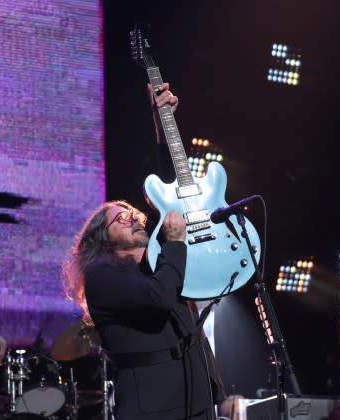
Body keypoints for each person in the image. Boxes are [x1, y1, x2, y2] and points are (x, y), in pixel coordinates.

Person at [63, 82, 225, 419]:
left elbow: (170, 193)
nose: (136, 217)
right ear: (101, 239)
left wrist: (162, 126)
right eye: (122, 217)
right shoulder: (101, 278)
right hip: (152, 408)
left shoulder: (156, 258)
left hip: (195, 396)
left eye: (134, 212)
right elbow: (158, 297)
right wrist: (177, 243)